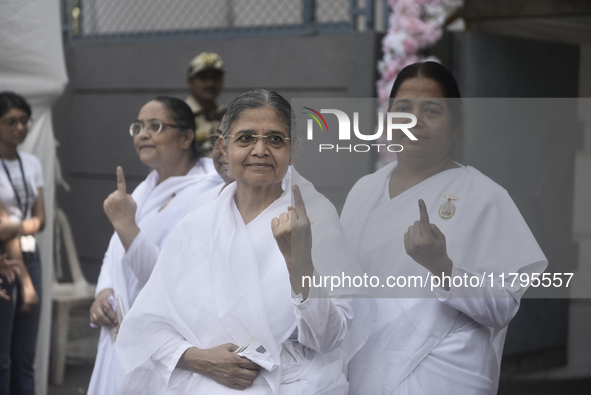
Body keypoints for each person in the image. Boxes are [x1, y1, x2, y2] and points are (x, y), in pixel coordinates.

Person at [115, 89, 373, 394]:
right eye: (246, 138)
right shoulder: (196, 225)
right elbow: (146, 326)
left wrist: (298, 264)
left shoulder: (317, 219)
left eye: (275, 139)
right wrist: (200, 359)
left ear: (295, 150)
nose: (260, 150)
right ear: (223, 148)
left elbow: (329, 339)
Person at [341, 62, 548, 394]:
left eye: (432, 110)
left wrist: (443, 267)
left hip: (442, 372)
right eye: (403, 109)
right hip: (365, 370)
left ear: (456, 124)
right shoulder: (364, 190)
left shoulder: (484, 196)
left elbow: (503, 306)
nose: (414, 122)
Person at [87, 96, 225, 395]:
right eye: (138, 126)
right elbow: (114, 253)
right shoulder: (146, 186)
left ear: (187, 137)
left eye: (156, 126)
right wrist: (104, 292)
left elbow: (169, 282)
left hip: (159, 339)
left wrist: (126, 225)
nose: (143, 134)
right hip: (118, 328)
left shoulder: (210, 194)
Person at [0, 91, 46, 395]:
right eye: (10, 122)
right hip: (6, 260)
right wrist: (26, 282)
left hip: (30, 254)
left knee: (25, 354)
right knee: (2, 355)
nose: (20, 127)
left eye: (24, 121)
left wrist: (16, 226)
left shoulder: (31, 163)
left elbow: (40, 219)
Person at [185, 52, 226, 157]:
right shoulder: (178, 116)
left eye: (215, 77)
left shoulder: (227, 116)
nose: (210, 83)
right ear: (190, 82)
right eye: (203, 78)